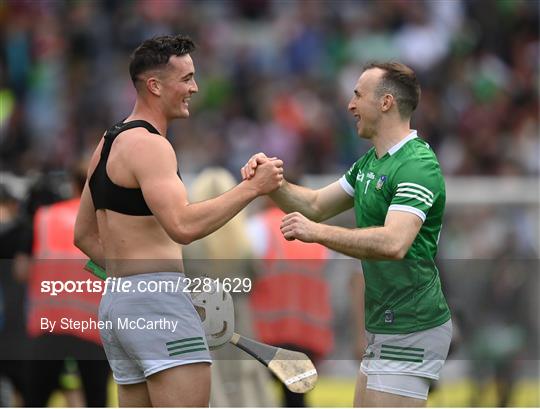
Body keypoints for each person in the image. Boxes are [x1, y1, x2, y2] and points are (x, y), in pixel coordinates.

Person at [73, 35, 283, 407]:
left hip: (117, 304)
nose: (194, 87)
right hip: (157, 303)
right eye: (186, 78)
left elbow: (84, 236)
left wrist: (133, 281)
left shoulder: (106, 143)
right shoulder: (151, 145)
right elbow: (182, 226)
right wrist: (251, 189)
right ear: (154, 85)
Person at [242, 62, 452, 407]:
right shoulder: (370, 162)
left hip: (412, 326)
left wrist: (318, 233)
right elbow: (312, 204)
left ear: (385, 103)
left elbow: (394, 242)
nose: (350, 105)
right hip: (385, 325)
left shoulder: (417, 164)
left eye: (358, 95)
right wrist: (269, 183)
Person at [184, 167, 276, 407]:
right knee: (246, 385)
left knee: (211, 385)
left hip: (200, 322)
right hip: (239, 322)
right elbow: (255, 278)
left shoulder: (187, 244)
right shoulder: (245, 242)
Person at [21, 162, 110, 407]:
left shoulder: (45, 217)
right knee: (96, 399)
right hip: (91, 327)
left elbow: (21, 270)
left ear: (72, 185)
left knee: (35, 399)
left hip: (48, 324)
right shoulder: (107, 224)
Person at [246, 197, 334, 407]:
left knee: (255, 397)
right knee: (296, 399)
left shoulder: (258, 226)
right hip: (307, 336)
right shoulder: (317, 233)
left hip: (266, 335)